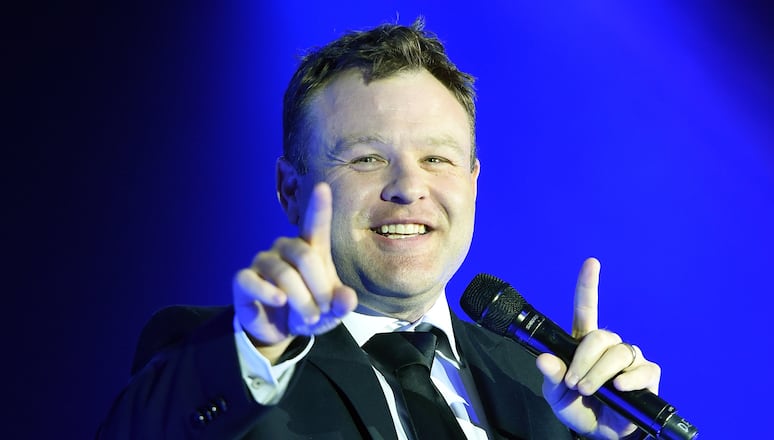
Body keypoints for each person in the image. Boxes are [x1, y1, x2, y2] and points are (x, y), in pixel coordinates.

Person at [98, 19, 660, 439]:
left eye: (437, 159)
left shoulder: (546, 383)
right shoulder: (230, 358)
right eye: (367, 158)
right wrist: (254, 353)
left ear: (473, 183)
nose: (407, 187)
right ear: (291, 189)